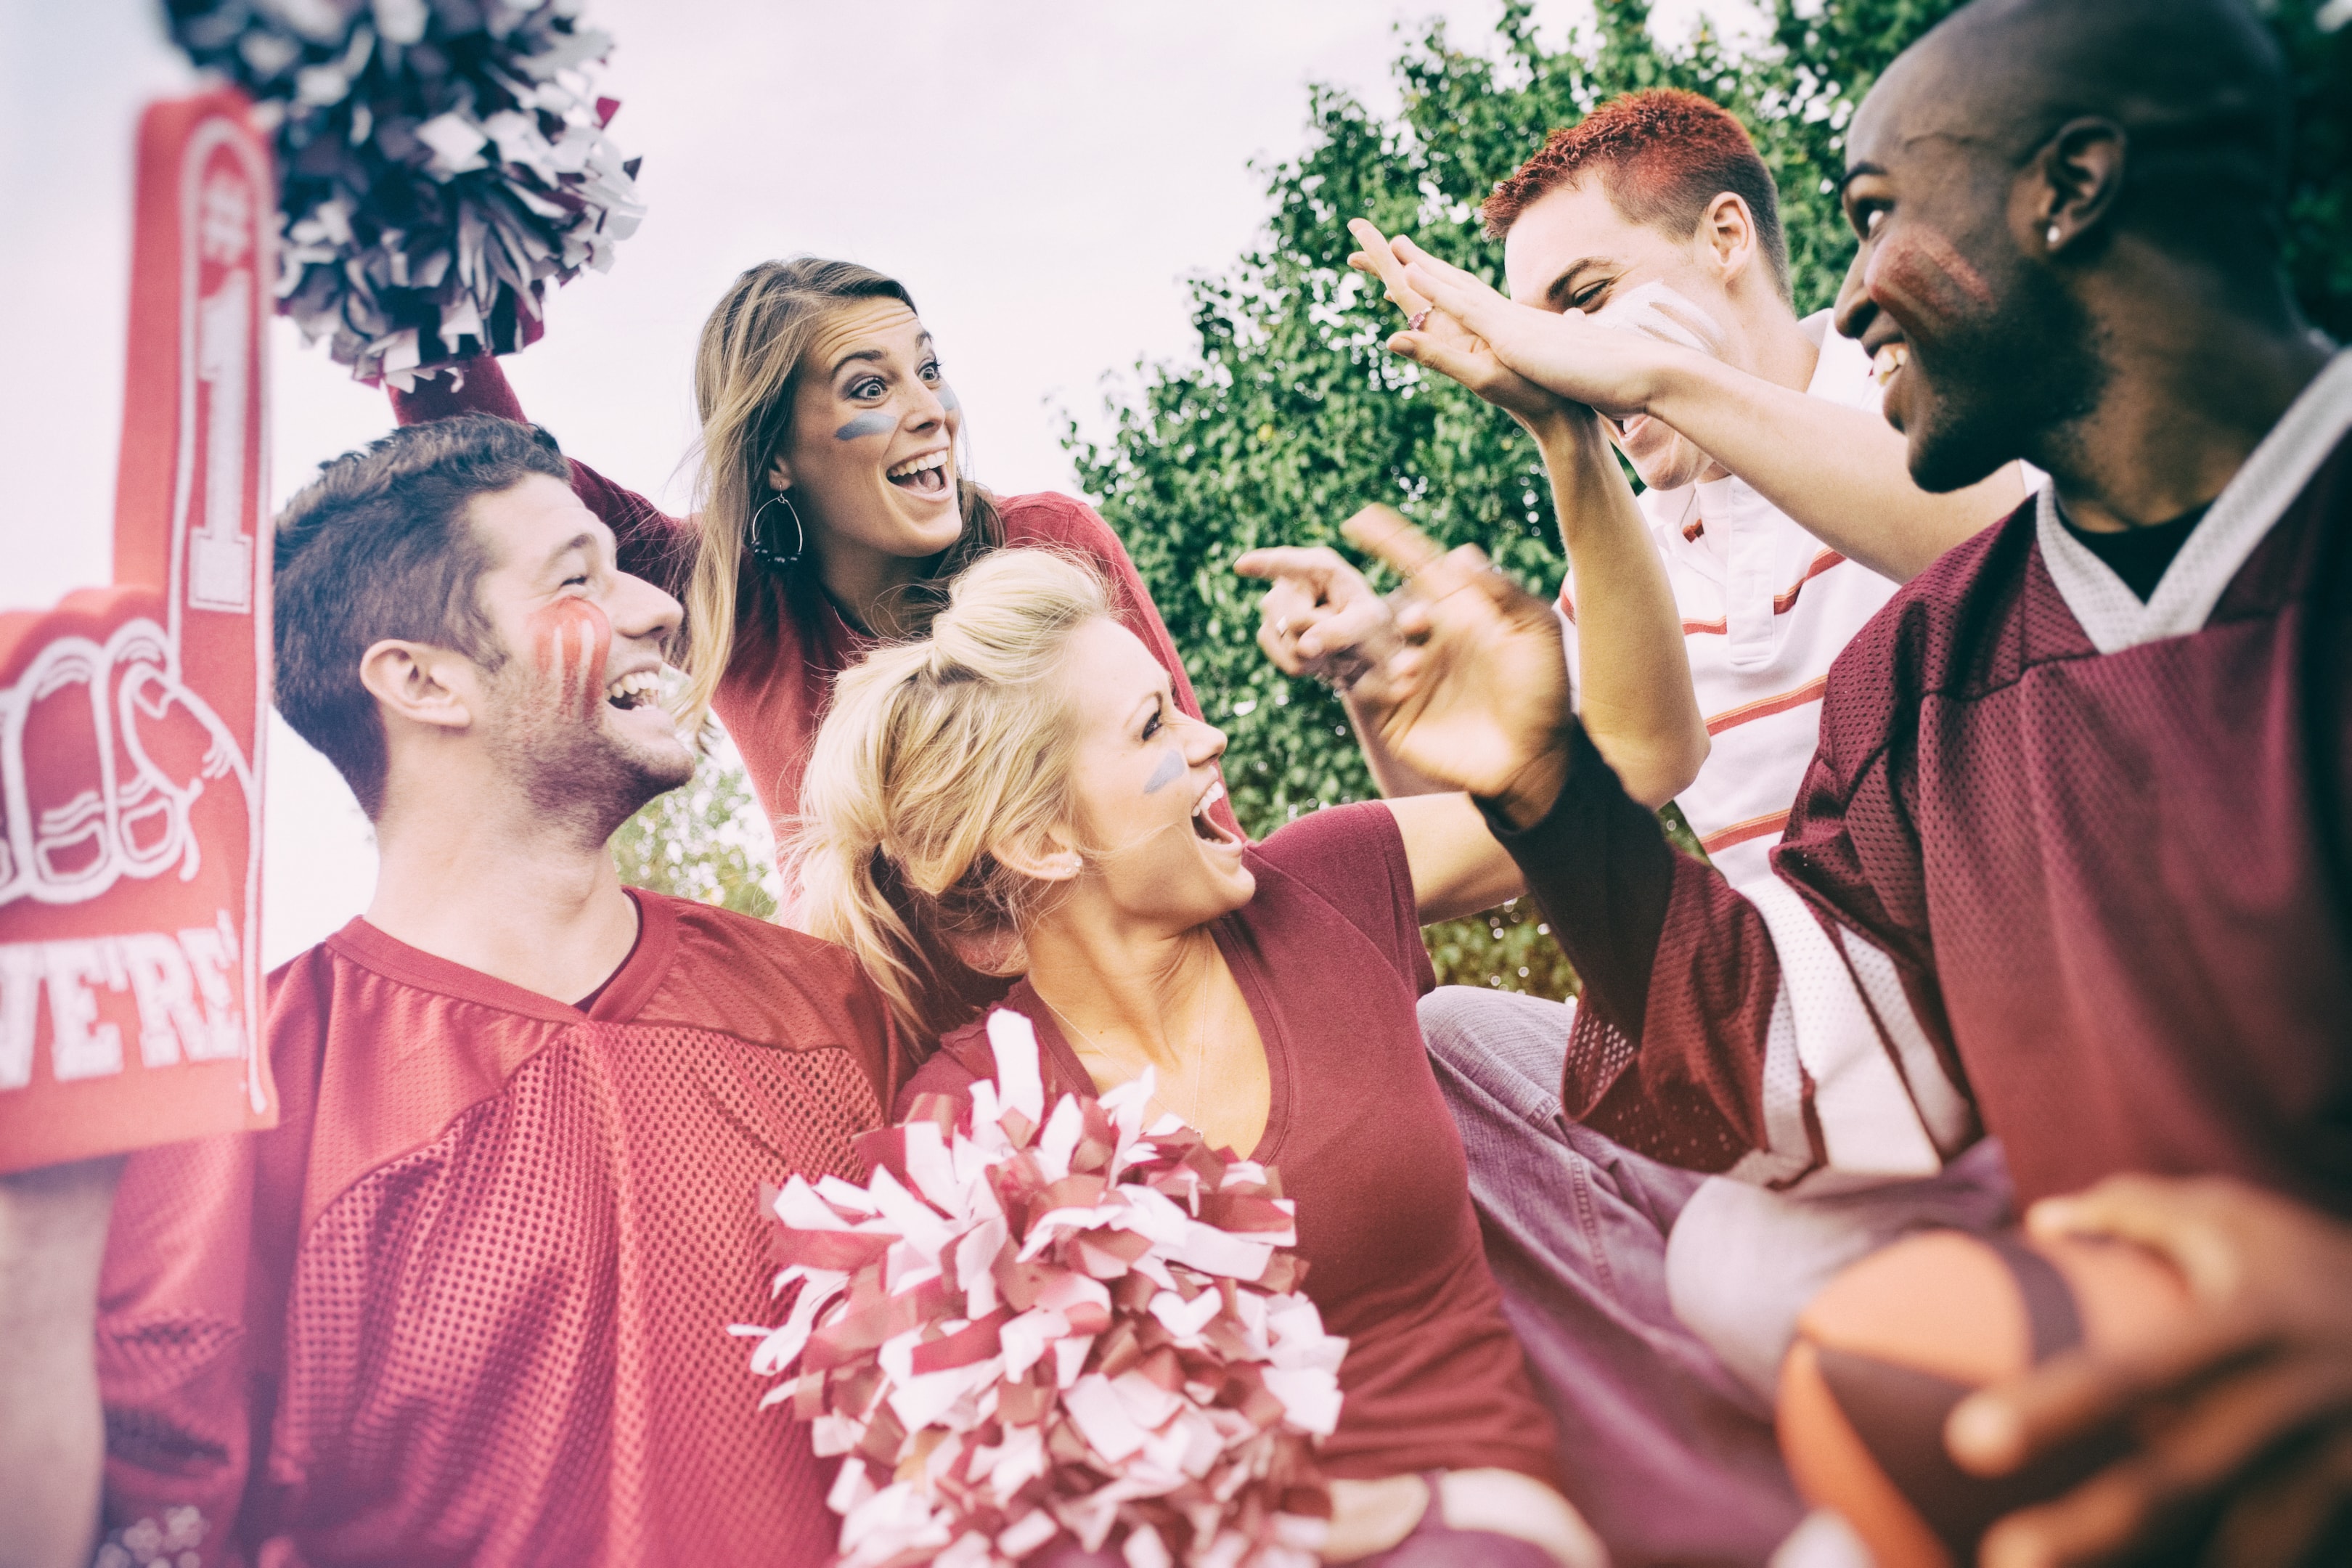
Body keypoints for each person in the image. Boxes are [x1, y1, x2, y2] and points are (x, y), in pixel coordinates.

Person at [1339, 0, 2352, 1558]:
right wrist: (1551, 788)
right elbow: (1794, 1057)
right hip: (2087, 1363)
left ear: (2071, 191)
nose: (1862, 290)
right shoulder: (1935, 671)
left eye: (1881, 216)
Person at [91, 416, 907, 1566]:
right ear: (423, 680)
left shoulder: (837, 1008)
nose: (658, 608)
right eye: (581, 578)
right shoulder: (239, 1115)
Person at [790, 547, 1604, 1567]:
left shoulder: (1325, 887)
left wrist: (1581, 448)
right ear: (1043, 839)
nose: (1210, 735)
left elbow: (1646, 769)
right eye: (1153, 726)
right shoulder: (971, 1132)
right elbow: (993, 1502)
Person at [393, 258, 1233, 848]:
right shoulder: (734, 603)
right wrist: (409, 273)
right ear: (774, 457)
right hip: (895, 1073)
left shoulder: (1052, 544)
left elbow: (1202, 806)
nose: (933, 410)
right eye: (871, 386)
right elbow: (501, 470)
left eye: (928, 370)